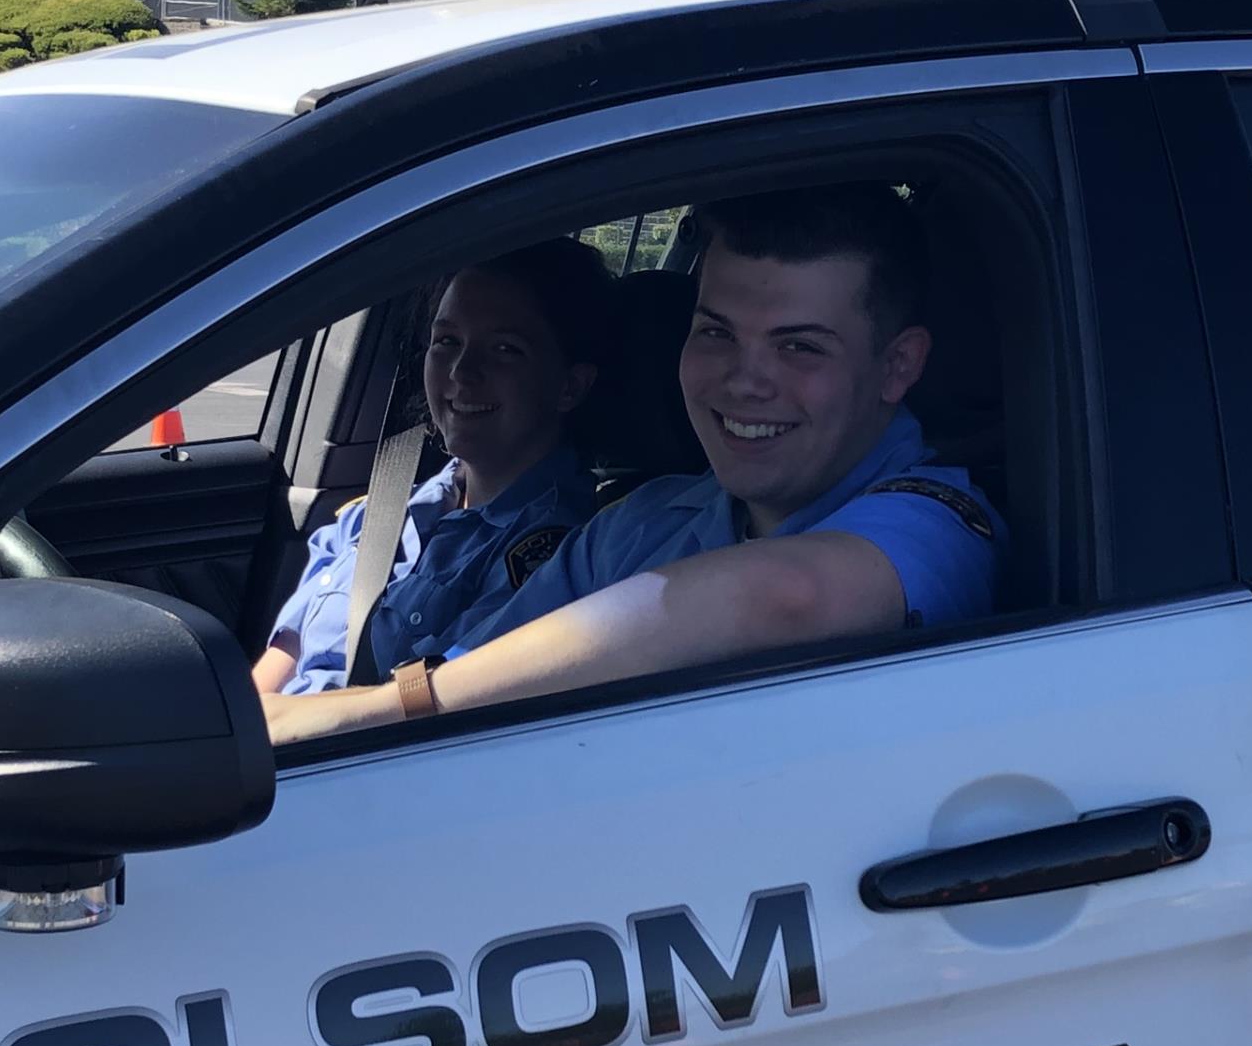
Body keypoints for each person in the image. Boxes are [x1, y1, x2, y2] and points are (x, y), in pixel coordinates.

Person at [260, 183, 1002, 742]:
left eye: (799, 346)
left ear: (897, 365)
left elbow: (788, 596)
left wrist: (367, 714)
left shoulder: (940, 522)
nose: (744, 381)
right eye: (716, 334)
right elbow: (479, 666)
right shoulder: (642, 524)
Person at [251, 238, 611, 695]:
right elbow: (286, 653)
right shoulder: (378, 510)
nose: (462, 371)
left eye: (504, 349)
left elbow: (429, 712)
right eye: (447, 342)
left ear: (569, 386)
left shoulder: (562, 558)